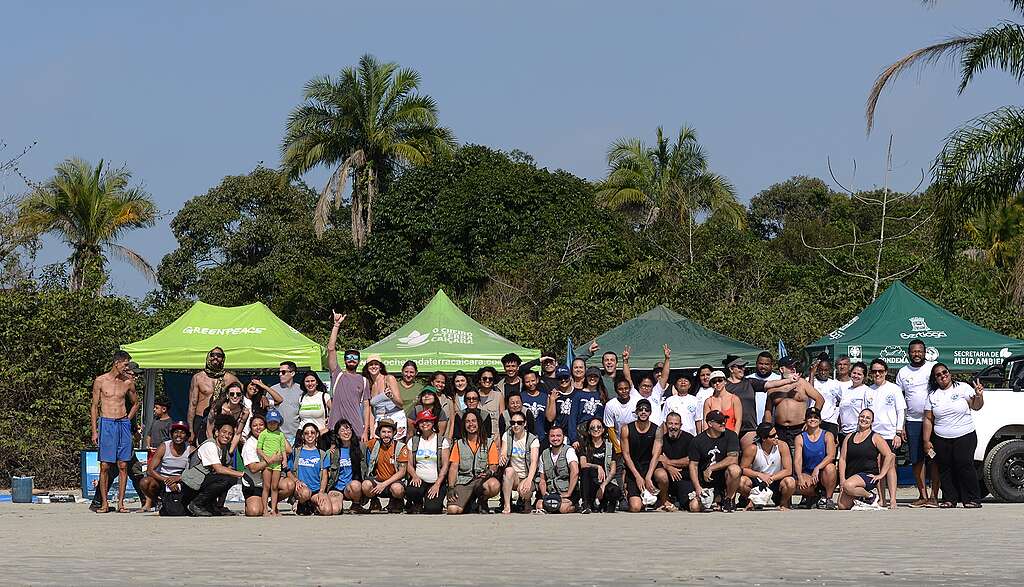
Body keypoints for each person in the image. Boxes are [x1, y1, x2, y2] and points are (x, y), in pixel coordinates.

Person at [924, 363, 985, 508]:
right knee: (945, 468)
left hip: (965, 434)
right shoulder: (933, 395)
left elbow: (976, 406)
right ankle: (949, 499)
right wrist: (926, 440)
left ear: (949, 373)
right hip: (941, 437)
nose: (942, 376)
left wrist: (978, 395)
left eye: (944, 372)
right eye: (938, 375)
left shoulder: (963, 387)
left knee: (964, 464)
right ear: (935, 379)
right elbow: (928, 419)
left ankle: (972, 499)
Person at [90, 350, 141, 513]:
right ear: (117, 363)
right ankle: (104, 503)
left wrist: (127, 419)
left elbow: (135, 403)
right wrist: (94, 430)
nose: (127, 368)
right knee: (105, 465)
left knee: (123, 465)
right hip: (107, 423)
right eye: (125, 364)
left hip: (122, 422)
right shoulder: (101, 381)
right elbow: (94, 406)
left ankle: (121, 503)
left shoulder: (127, 382)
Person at [896, 339, 940, 508]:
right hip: (912, 422)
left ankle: (935, 497)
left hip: (935, 421)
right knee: (917, 460)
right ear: (909, 353)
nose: (916, 354)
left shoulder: (933, 368)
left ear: (925, 352)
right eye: (913, 351)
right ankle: (923, 495)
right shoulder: (903, 372)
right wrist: (903, 425)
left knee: (934, 458)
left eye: (919, 351)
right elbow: (901, 399)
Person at [180, 414, 244, 516]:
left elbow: (227, 468)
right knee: (225, 478)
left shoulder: (224, 449)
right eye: (224, 432)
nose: (226, 436)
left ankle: (217, 506)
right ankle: (197, 504)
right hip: (192, 484)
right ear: (217, 432)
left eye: (230, 434)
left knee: (230, 478)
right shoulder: (210, 445)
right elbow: (218, 469)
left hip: (203, 481)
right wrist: (242, 474)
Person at [864, 358, 906, 509]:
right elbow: (865, 413)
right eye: (874, 371)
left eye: (880, 371)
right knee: (877, 466)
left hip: (889, 434)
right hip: (874, 435)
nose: (877, 374)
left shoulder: (894, 389)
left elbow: (901, 411)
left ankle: (893, 499)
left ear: (886, 372)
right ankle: (882, 499)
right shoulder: (868, 390)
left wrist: (898, 432)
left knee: (890, 466)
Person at [838, 409, 896, 510]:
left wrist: (881, 474)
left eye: (868, 418)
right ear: (858, 418)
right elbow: (842, 459)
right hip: (852, 476)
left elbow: (889, 455)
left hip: (868, 475)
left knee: (848, 486)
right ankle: (862, 498)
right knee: (842, 506)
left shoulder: (875, 437)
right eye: (862, 416)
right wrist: (842, 479)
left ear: (872, 422)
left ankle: (871, 497)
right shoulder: (849, 437)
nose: (864, 419)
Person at [327, 312, 371, 439]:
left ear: (358, 361)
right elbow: (331, 348)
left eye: (355, 357)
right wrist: (336, 325)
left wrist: (365, 431)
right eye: (349, 357)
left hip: (356, 429)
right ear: (345, 360)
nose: (352, 360)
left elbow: (367, 407)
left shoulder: (364, 381)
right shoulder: (337, 373)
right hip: (335, 428)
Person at [447, 409, 500, 514]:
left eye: (474, 421)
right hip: (464, 481)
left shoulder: (489, 443)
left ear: (479, 423)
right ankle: (470, 502)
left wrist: (489, 472)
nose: (471, 424)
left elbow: (494, 466)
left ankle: (482, 500)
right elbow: (453, 467)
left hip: (482, 481)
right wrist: (451, 487)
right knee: (453, 510)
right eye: (467, 421)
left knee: (494, 485)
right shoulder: (459, 444)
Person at [764, 356, 824, 450]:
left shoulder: (802, 383)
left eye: (795, 367)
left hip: (799, 428)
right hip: (779, 429)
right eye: (790, 367)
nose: (793, 369)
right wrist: (768, 428)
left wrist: (811, 419)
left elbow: (820, 399)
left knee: (799, 457)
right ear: (781, 369)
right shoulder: (773, 387)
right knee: (782, 458)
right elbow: (768, 411)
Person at [687, 410, 742, 512]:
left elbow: (733, 458)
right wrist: (698, 487)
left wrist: (711, 468)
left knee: (735, 469)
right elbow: (693, 466)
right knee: (694, 507)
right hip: (706, 482)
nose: (723, 423)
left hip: (724, 481)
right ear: (710, 424)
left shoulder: (731, 436)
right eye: (719, 422)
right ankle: (716, 499)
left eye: (724, 420)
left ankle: (728, 499)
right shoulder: (697, 441)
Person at [240, 414, 292, 517]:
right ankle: (253, 504)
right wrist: (271, 460)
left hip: (272, 475)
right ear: (250, 428)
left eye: (261, 425)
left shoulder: (274, 435)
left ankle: (273, 506)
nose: (258, 427)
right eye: (255, 425)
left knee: (288, 485)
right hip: (255, 485)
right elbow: (253, 468)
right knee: (254, 511)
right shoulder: (249, 444)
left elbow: (289, 449)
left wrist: (276, 429)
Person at [187, 347, 240, 444]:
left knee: (220, 450)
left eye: (219, 355)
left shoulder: (230, 378)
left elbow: (245, 392)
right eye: (213, 355)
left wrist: (261, 396)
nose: (215, 357)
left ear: (223, 359)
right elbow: (192, 404)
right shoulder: (198, 378)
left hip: (221, 419)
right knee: (201, 449)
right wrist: (190, 428)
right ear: (208, 357)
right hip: (201, 419)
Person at [738, 422, 796, 510]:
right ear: (764, 438)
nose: (776, 437)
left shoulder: (782, 446)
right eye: (773, 436)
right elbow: (742, 469)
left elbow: (788, 470)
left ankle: (783, 504)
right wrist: (759, 475)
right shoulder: (752, 448)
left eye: (776, 434)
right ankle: (753, 501)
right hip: (758, 482)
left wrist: (771, 478)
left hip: (776, 481)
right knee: (741, 482)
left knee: (790, 482)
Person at [619, 399, 663, 512]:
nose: (643, 412)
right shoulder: (626, 429)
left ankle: (663, 499)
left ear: (650, 412)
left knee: (662, 476)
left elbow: (655, 456)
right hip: (633, 468)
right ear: (636, 412)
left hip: (649, 467)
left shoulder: (657, 429)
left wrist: (648, 476)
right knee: (635, 507)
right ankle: (640, 498)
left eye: (646, 410)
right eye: (640, 409)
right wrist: (638, 477)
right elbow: (626, 454)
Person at [139, 420, 193, 513]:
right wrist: (167, 481)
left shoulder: (191, 449)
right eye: (176, 432)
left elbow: (194, 472)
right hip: (162, 480)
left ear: (187, 436)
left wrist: (178, 479)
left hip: (182, 481)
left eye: (182, 432)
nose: (178, 435)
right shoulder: (164, 447)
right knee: (145, 482)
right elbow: (150, 470)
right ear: (171, 434)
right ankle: (158, 502)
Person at [406, 410, 451, 514]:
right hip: (419, 480)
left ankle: (430, 502)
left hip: (436, 481)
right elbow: (408, 463)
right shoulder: (413, 441)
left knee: (432, 509)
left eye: (428, 421)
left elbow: (445, 465)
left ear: (433, 423)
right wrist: (414, 476)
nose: (424, 424)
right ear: (418, 424)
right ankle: (417, 503)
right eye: (421, 421)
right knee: (412, 490)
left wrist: (437, 484)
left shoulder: (442, 441)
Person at [360, 418, 408, 513]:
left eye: (389, 432)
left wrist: (384, 484)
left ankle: (397, 501)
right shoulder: (374, 443)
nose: (386, 435)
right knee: (365, 485)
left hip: (394, 482)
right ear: (379, 433)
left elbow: (402, 472)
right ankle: (374, 501)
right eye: (383, 432)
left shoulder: (401, 447)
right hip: (378, 480)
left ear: (394, 433)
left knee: (397, 489)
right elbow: (358, 446)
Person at [793, 407, 838, 509]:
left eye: (815, 417)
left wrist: (817, 468)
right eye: (809, 417)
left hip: (823, 472)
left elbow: (831, 455)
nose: (812, 419)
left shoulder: (827, 435)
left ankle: (828, 498)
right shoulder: (800, 437)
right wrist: (799, 477)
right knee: (801, 483)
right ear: (805, 420)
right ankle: (813, 496)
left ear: (820, 420)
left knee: (831, 468)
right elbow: (798, 460)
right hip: (808, 472)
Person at [499, 410, 540, 514]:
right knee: (508, 471)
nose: (516, 425)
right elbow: (503, 451)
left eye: (519, 423)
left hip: (527, 475)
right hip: (515, 476)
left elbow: (534, 462)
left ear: (525, 423)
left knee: (523, 491)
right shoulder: (507, 435)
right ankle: (507, 504)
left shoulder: (532, 439)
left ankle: (526, 501)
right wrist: (502, 456)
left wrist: (529, 480)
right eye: (513, 423)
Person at [578, 417, 621, 513]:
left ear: (603, 430)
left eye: (598, 427)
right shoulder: (585, 446)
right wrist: (598, 466)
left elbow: (613, 470)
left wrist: (603, 485)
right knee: (585, 471)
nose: (596, 429)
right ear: (589, 431)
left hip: (605, 481)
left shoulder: (609, 446)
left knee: (616, 491)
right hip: (590, 483)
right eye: (592, 427)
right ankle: (586, 504)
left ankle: (608, 504)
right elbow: (583, 464)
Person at [289, 423, 333, 516]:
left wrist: (321, 491)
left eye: (312, 432)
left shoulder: (322, 454)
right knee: (305, 493)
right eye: (306, 433)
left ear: (317, 434)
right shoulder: (296, 452)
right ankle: (301, 504)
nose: (310, 435)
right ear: (302, 436)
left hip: (316, 490)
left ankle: (312, 505)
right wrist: (296, 481)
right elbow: (288, 471)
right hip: (301, 489)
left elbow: (325, 476)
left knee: (327, 510)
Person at [653, 412, 693, 512]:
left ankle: (677, 500)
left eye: (676, 424)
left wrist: (668, 462)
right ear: (666, 424)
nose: (673, 427)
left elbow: (690, 460)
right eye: (670, 423)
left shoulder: (690, 439)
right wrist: (668, 468)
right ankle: (664, 501)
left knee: (691, 506)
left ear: (681, 425)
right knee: (660, 474)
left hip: (683, 478)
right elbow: (657, 457)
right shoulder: (661, 439)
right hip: (666, 479)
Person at [535, 425, 580, 514]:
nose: (555, 438)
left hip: (567, 492)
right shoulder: (544, 454)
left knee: (563, 508)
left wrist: (568, 493)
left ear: (563, 437)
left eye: (558, 436)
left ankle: (576, 506)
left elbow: (575, 472)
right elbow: (542, 479)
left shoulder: (569, 451)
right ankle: (552, 507)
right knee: (539, 506)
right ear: (548, 438)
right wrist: (544, 494)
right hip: (551, 493)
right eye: (552, 436)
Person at [324, 418, 364, 515]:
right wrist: (322, 491)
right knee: (334, 510)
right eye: (342, 430)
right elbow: (325, 473)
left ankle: (356, 504)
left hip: (351, 488)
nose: (346, 432)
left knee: (355, 485)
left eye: (348, 429)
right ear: (337, 434)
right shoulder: (332, 452)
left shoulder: (360, 448)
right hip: (336, 487)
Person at [723, 356, 766, 443]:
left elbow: (771, 384)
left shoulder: (749, 382)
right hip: (729, 428)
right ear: (731, 369)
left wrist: (789, 380)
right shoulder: (724, 385)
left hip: (749, 428)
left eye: (744, 366)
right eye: (739, 367)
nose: (743, 369)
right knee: (732, 455)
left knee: (750, 453)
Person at [364, 355, 406, 441]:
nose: (373, 366)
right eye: (371, 364)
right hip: (379, 421)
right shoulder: (369, 384)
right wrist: (372, 431)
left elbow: (401, 404)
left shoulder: (389, 379)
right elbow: (372, 410)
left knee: (395, 450)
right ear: (367, 367)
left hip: (395, 418)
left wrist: (392, 397)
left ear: (380, 367)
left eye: (376, 364)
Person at [257, 408, 289, 516]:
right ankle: (264, 509)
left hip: (277, 465)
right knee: (266, 486)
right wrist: (266, 458)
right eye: (270, 422)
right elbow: (259, 449)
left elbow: (283, 449)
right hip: (267, 464)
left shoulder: (280, 434)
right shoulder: (263, 434)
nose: (272, 424)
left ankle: (274, 509)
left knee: (274, 487)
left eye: (275, 422)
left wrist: (284, 459)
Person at [269, 360, 302, 441]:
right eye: (279, 372)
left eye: (283, 372)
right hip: (277, 436)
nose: (280, 374)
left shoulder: (301, 390)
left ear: (292, 373)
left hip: (297, 436)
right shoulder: (272, 390)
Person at [811, 356, 843, 439]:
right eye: (821, 370)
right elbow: (809, 393)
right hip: (813, 420)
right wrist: (811, 374)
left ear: (830, 371)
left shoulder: (835, 384)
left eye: (826, 370)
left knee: (830, 449)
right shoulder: (810, 380)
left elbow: (841, 402)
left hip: (830, 422)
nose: (823, 372)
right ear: (817, 370)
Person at [838, 362, 869, 445]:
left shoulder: (867, 391)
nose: (856, 376)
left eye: (859, 374)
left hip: (858, 432)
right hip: (843, 433)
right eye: (854, 373)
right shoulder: (846, 390)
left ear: (864, 376)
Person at [603, 376, 636, 453]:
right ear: (616, 390)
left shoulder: (637, 402)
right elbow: (610, 428)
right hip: (619, 440)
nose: (624, 391)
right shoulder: (610, 405)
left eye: (626, 388)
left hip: (636, 440)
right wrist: (618, 448)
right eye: (620, 389)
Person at [520, 371, 549, 442]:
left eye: (533, 381)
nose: (530, 384)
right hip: (524, 436)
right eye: (527, 382)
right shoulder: (520, 396)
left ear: (537, 380)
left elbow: (550, 418)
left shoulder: (545, 397)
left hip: (541, 436)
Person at [476, 366, 505, 431]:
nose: (487, 380)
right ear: (479, 380)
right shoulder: (473, 396)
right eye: (484, 378)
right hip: (476, 435)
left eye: (490, 379)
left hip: (493, 436)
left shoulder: (499, 396)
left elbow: (502, 419)